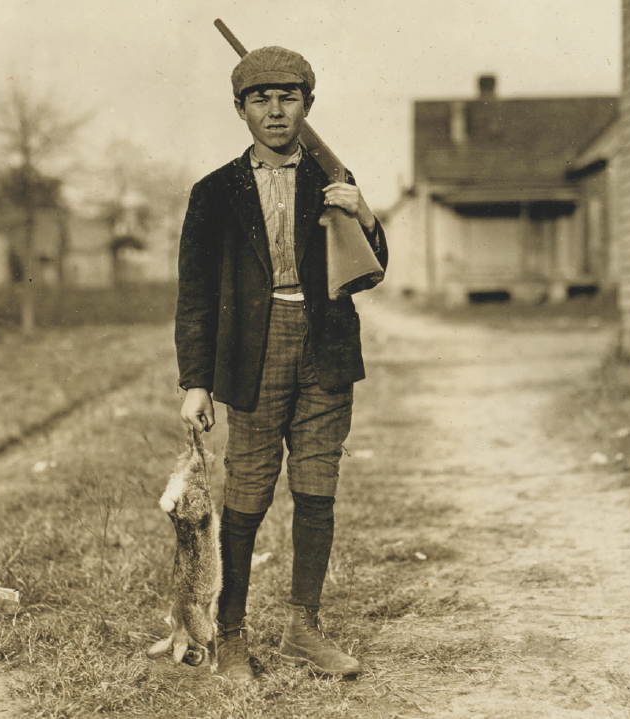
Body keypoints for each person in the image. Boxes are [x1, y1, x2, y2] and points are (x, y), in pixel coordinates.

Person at [174, 45, 387, 683]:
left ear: (308, 106)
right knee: (247, 492)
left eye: (288, 98)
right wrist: (196, 382)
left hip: (326, 350)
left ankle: (304, 629)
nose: (275, 111)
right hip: (252, 351)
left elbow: (371, 271)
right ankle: (231, 635)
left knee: (317, 488)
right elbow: (194, 296)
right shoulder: (214, 193)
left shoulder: (333, 179)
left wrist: (364, 213)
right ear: (240, 110)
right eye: (260, 99)